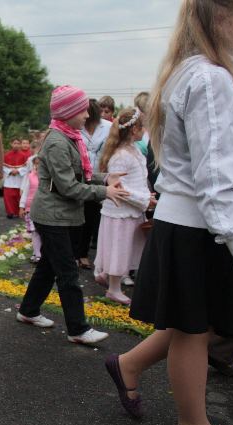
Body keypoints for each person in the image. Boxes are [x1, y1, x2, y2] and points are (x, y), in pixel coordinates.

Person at [104, 2, 233, 425]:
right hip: (200, 224)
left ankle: (129, 366)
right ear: (218, 19)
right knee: (194, 328)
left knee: (193, 320)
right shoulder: (211, 79)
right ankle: (194, 424)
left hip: (194, 221)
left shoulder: (188, 71)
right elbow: (214, 175)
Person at [17, 85, 129, 345]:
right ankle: (78, 329)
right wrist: (104, 191)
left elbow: (81, 175)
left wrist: (105, 178)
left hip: (59, 214)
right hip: (52, 215)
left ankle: (28, 311)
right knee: (67, 272)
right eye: (82, 112)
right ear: (67, 113)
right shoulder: (58, 141)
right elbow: (68, 186)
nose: (86, 117)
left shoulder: (69, 136)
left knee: (48, 266)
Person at [94, 108, 154, 305]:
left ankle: (106, 275)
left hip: (132, 209)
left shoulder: (134, 150)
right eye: (142, 126)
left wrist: (147, 195)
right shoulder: (120, 155)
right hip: (120, 211)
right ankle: (113, 288)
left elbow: (138, 181)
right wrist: (145, 200)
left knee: (125, 247)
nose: (144, 130)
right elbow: (120, 187)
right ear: (134, 129)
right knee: (118, 248)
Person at [77, 99, 113, 269]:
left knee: (91, 215)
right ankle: (74, 252)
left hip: (99, 174)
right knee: (77, 214)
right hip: (79, 175)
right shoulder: (77, 126)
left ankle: (83, 253)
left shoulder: (107, 127)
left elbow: (112, 148)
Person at [19, 156, 41, 264]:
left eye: (40, 164)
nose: (38, 166)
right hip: (30, 207)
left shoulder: (47, 178)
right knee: (34, 231)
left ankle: (37, 252)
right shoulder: (30, 176)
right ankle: (38, 254)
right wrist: (21, 206)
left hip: (42, 208)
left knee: (40, 231)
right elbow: (26, 192)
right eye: (36, 164)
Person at [3, 138, 30, 218]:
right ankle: (10, 212)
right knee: (9, 196)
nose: (16, 145)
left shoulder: (24, 156)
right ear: (11, 144)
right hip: (9, 179)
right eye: (14, 143)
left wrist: (18, 171)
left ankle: (18, 212)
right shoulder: (6, 155)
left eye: (18, 143)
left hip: (19, 179)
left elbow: (27, 167)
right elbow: (3, 166)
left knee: (18, 196)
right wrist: (10, 171)